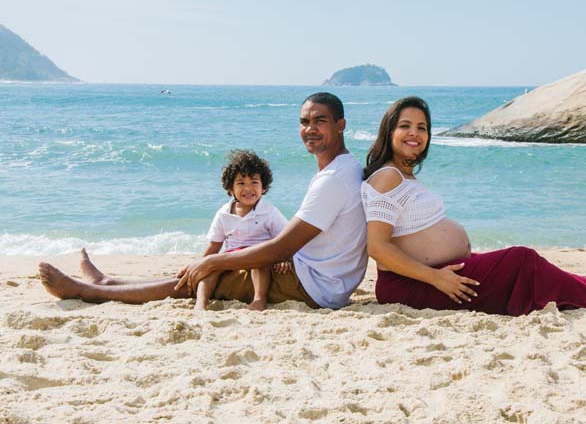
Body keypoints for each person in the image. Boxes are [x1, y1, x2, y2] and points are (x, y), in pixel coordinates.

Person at [39, 92, 368, 310]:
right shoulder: (342, 169)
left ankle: (88, 291)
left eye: (319, 121)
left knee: (200, 279)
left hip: (312, 286)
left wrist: (212, 262)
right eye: (304, 121)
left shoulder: (334, 178)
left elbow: (281, 248)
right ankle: (108, 282)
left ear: (340, 126)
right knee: (203, 271)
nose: (309, 128)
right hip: (320, 278)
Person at [361, 96, 586, 315]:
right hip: (415, 285)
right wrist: (436, 279)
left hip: (440, 274)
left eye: (422, 128)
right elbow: (377, 246)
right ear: (389, 130)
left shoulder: (403, 176)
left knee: (539, 269)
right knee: (522, 260)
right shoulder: (387, 177)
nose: (415, 134)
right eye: (405, 126)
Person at [197, 149, 291, 311]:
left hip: (259, 254)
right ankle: (201, 303)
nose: (248, 188)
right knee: (211, 269)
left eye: (254, 182)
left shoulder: (269, 211)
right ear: (231, 189)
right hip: (232, 257)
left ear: (263, 187)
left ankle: (259, 300)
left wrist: (286, 259)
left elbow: (287, 239)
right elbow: (214, 247)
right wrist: (200, 265)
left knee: (259, 261)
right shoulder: (223, 213)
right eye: (241, 183)